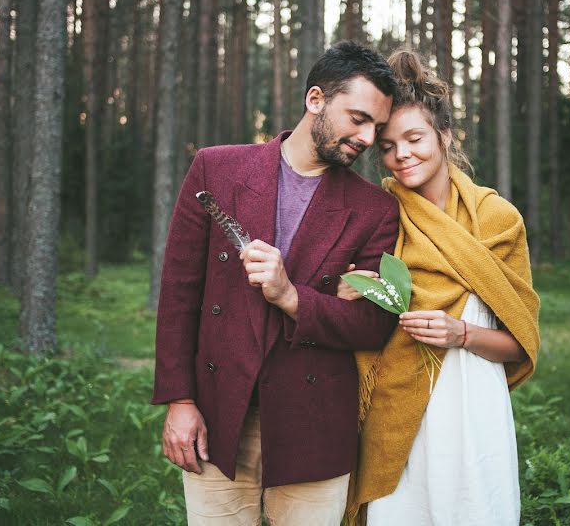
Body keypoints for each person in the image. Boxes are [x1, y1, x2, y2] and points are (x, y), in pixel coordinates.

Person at [151, 41, 401, 526]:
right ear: (315, 100)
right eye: (358, 119)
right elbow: (179, 294)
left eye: (376, 126)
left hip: (315, 422)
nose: (368, 138)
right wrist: (180, 402)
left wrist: (291, 297)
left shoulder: (375, 210)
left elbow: (371, 328)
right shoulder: (216, 169)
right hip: (219, 413)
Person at [341, 48, 541, 526]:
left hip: (473, 412)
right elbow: (365, 330)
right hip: (397, 413)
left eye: (414, 138)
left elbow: (520, 345)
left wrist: (460, 334)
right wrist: (358, 295)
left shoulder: (497, 220)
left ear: (445, 135)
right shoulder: (380, 216)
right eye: (387, 146)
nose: (400, 155)